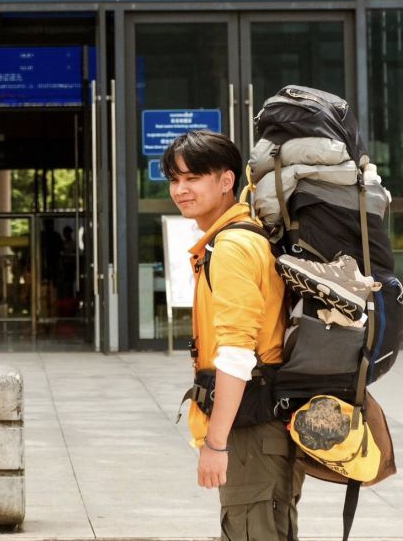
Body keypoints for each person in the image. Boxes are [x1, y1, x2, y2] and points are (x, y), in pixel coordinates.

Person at [162, 129, 302, 541]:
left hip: (252, 430)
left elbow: (238, 352)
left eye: (193, 178)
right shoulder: (240, 236)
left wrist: (217, 444)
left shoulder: (234, 246)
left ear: (226, 181)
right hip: (264, 426)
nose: (181, 189)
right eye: (174, 179)